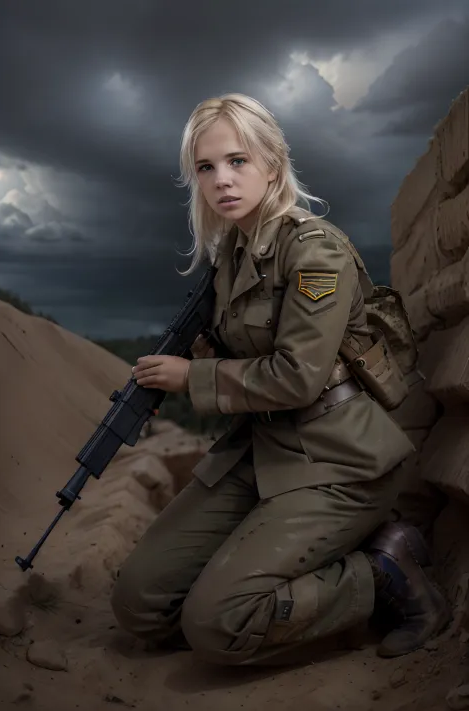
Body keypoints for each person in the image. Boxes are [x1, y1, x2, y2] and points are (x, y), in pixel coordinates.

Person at [111, 93, 449, 666]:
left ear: (273, 161)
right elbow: (244, 345)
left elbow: (297, 376)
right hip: (261, 452)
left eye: (238, 160)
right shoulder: (232, 257)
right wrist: (202, 353)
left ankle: (385, 570)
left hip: (337, 460)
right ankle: (253, 576)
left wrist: (192, 376)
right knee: (140, 603)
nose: (222, 180)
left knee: (218, 625)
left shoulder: (316, 252)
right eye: (206, 167)